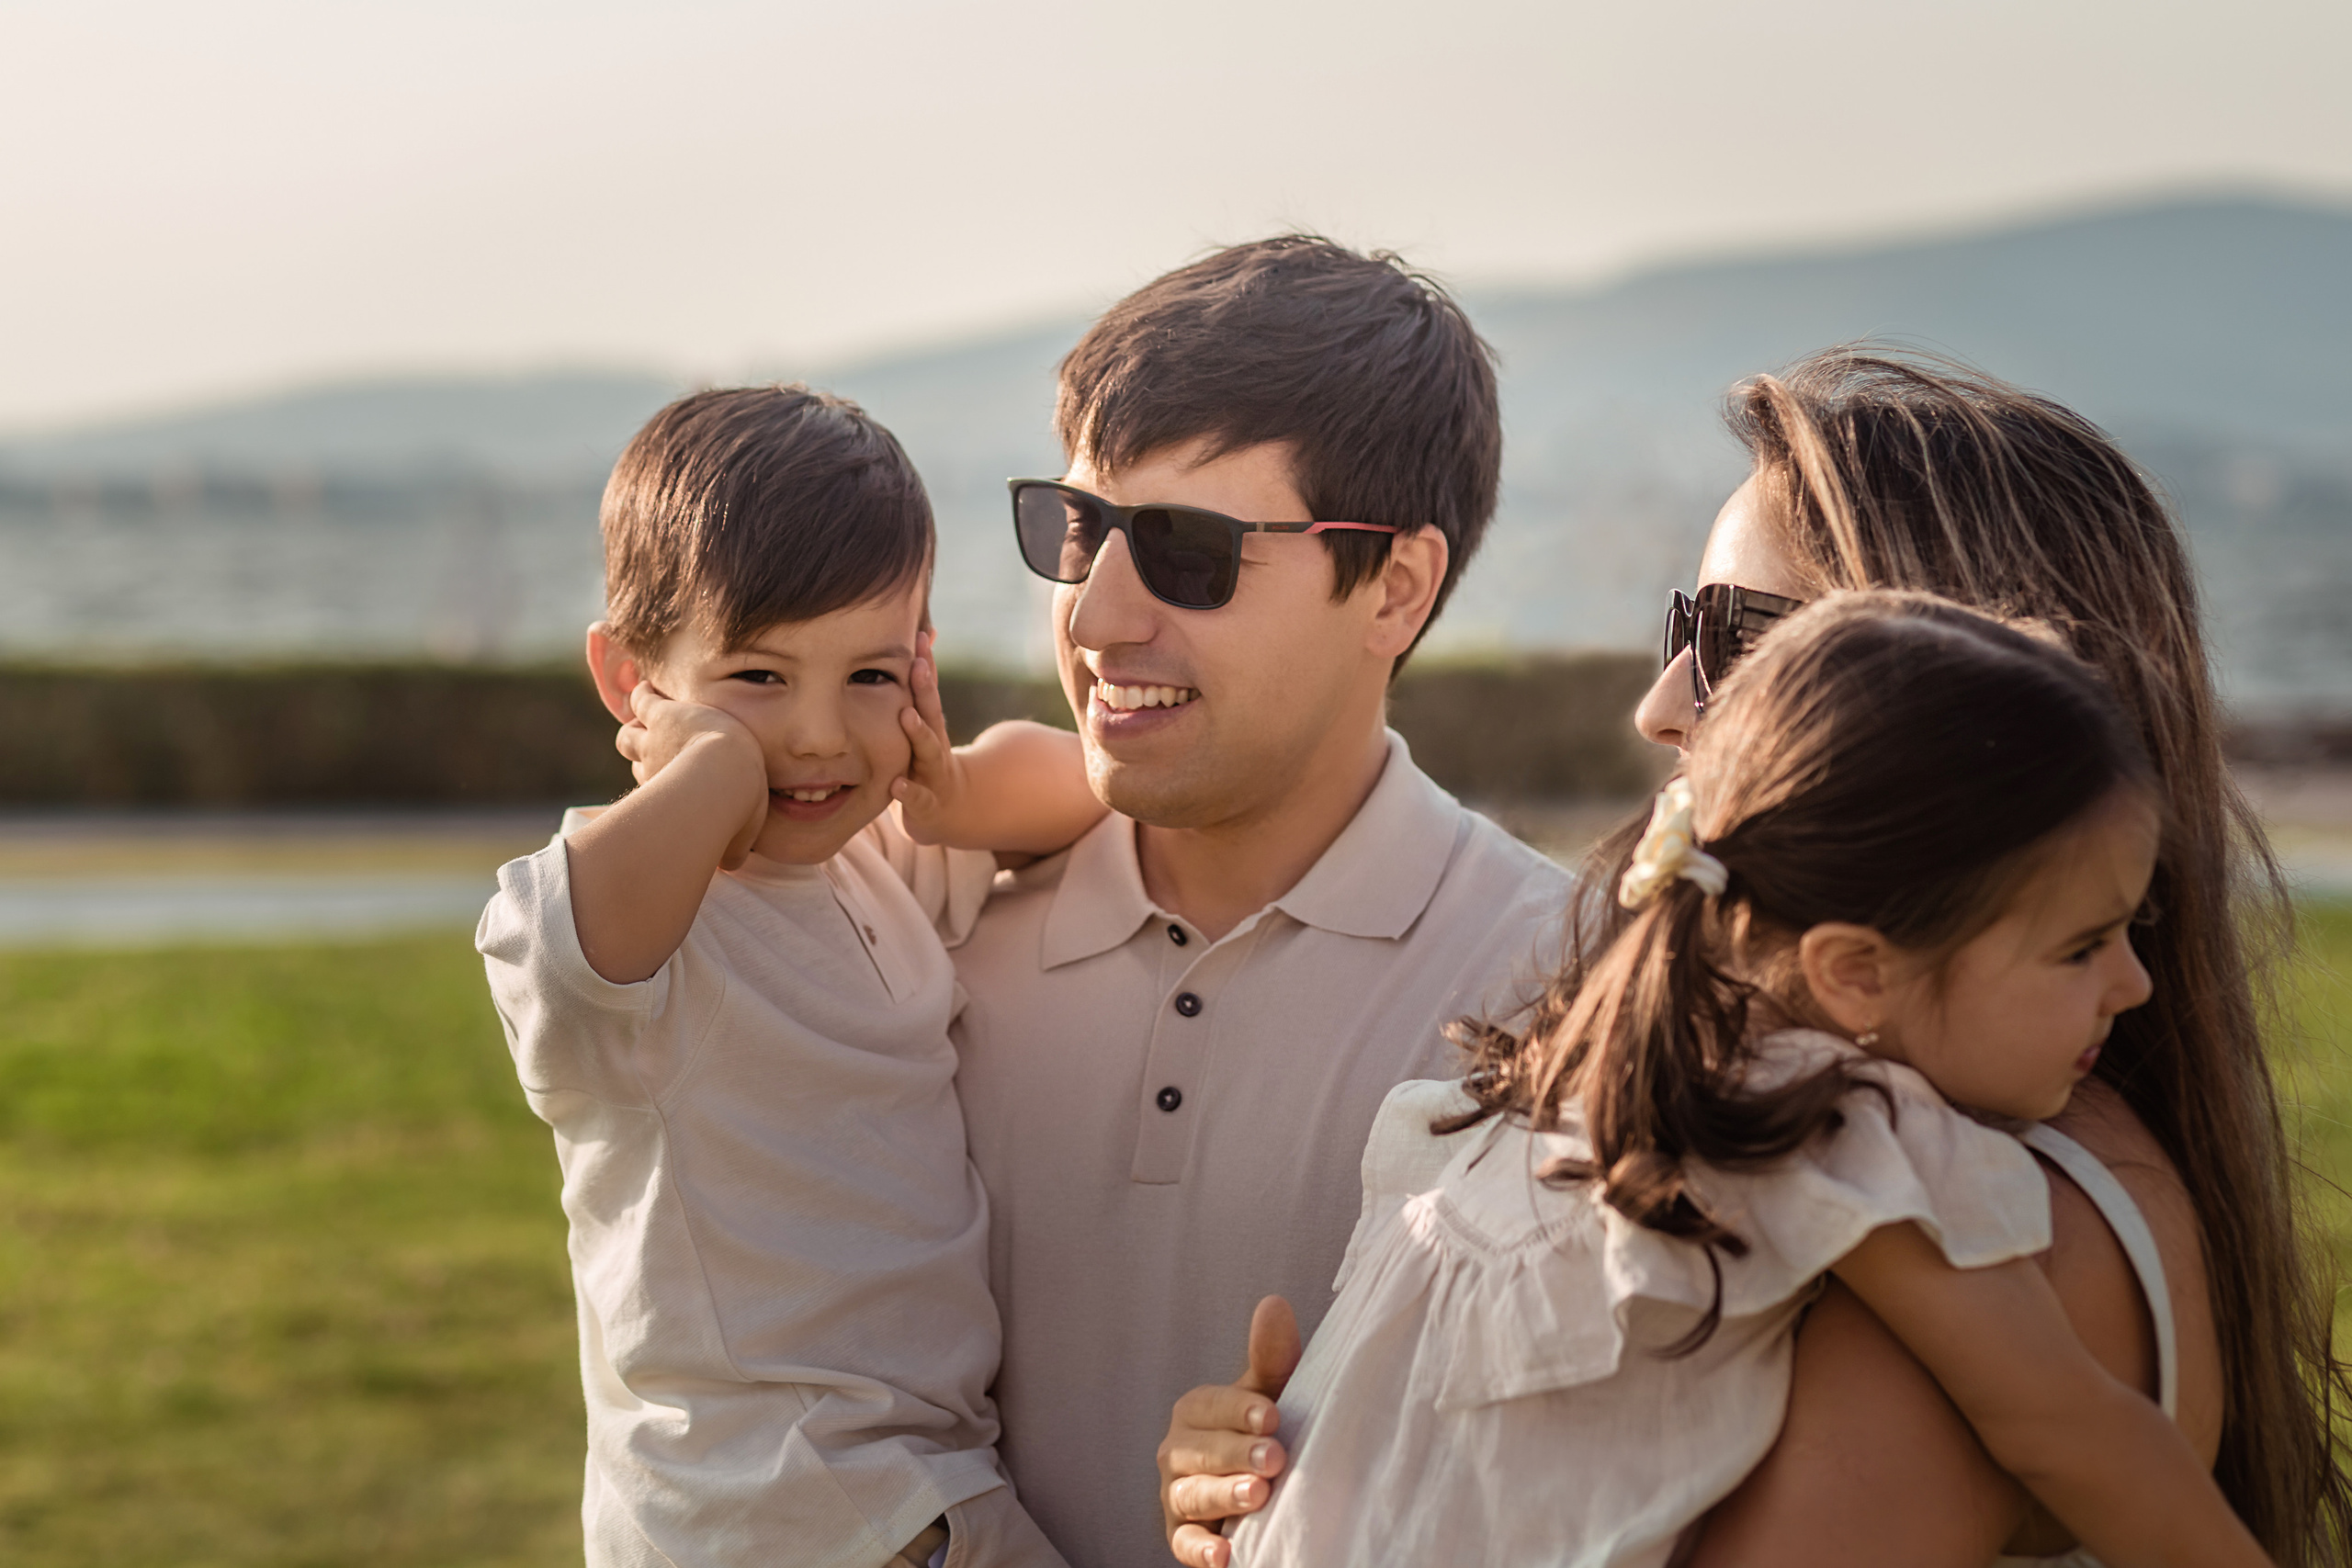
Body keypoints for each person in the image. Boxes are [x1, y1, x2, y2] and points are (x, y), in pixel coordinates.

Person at [1162, 351, 2352, 1567]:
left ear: (1974, 721)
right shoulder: (1761, 1116)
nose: (1664, 705)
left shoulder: (1999, 1214)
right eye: (1685, 625)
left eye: (1743, 642)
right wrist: (1320, 1460)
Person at [948, 236, 1574, 1568]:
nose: (1096, 614)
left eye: (1186, 549)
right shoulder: (926, 942)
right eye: (1078, 529)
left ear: (1395, 588)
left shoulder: (1570, 989)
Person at [477, 386, 1098, 1568]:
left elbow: (1083, 787)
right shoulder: (654, 923)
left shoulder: (877, 869)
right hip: (781, 1507)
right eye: (759, 679)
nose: (817, 736)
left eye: (867, 677)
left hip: (913, 1490)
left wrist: (947, 787)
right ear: (627, 682)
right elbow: (570, 943)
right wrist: (706, 760)